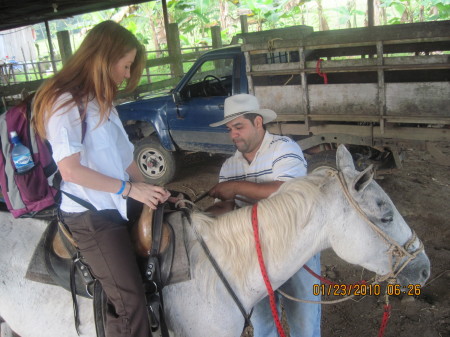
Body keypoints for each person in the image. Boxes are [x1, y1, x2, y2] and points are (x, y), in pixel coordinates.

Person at [33, 21, 170, 337]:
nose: (126, 74)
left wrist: (153, 190)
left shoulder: (101, 102)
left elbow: (126, 161)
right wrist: (130, 189)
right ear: (104, 59)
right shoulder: (64, 102)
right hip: (90, 216)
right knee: (130, 302)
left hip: (116, 202)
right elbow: (71, 171)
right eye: (125, 65)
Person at [207, 93, 321, 337]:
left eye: (239, 127)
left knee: (304, 325)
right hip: (252, 253)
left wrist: (236, 187)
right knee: (262, 324)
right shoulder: (230, 165)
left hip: (295, 247)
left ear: (258, 122)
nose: (233, 134)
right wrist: (199, 214)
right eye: (230, 129)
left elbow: (288, 193)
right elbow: (225, 207)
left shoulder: (284, 147)